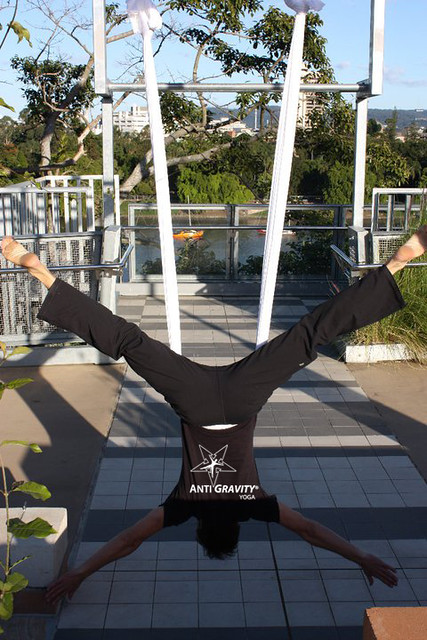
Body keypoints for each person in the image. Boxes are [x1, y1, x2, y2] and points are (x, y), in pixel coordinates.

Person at [2, 227, 426, 604]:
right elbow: (128, 540)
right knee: (129, 341)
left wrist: (362, 557)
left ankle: (397, 261)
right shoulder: (183, 505)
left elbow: (311, 531)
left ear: (238, 525)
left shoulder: (256, 505)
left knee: (307, 336)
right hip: (195, 401)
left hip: (243, 399)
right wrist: (78, 573)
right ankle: (42, 272)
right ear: (201, 527)